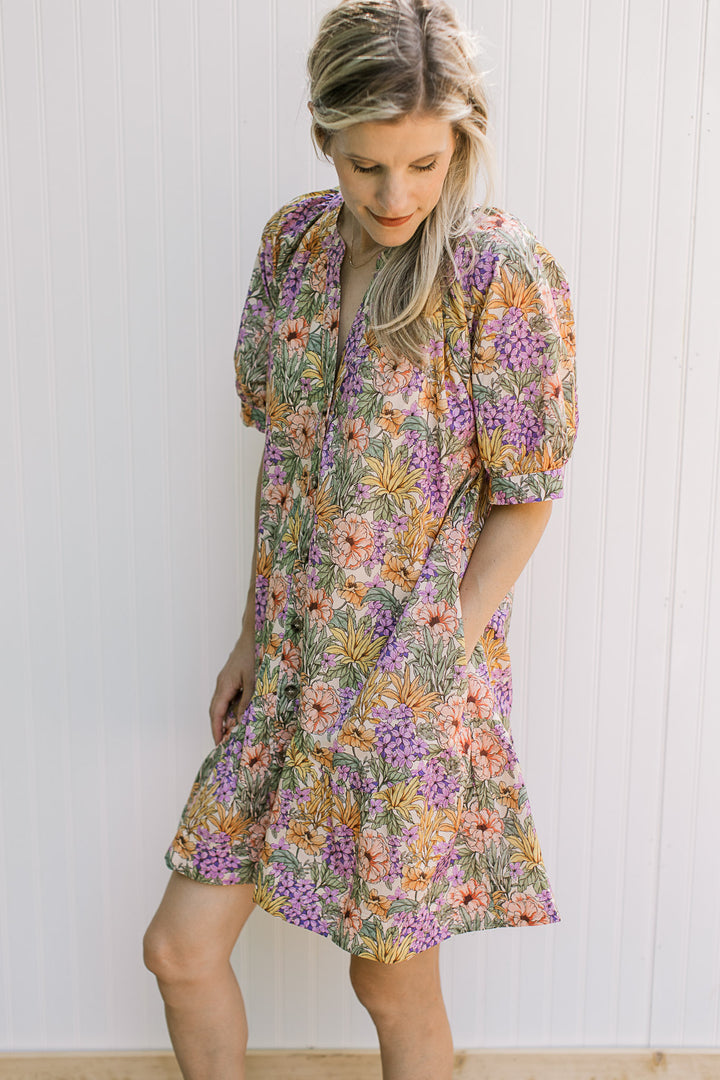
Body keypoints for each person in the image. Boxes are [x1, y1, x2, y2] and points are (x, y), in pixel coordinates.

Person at [143, 1, 579, 1077]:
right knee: (180, 951)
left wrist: (432, 661)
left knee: (388, 980)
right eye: (365, 165)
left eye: (425, 164)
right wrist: (252, 633)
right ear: (323, 136)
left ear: (461, 141)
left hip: (408, 683)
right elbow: (285, 460)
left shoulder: (498, 272)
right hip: (293, 664)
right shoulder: (292, 246)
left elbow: (526, 497)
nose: (395, 197)